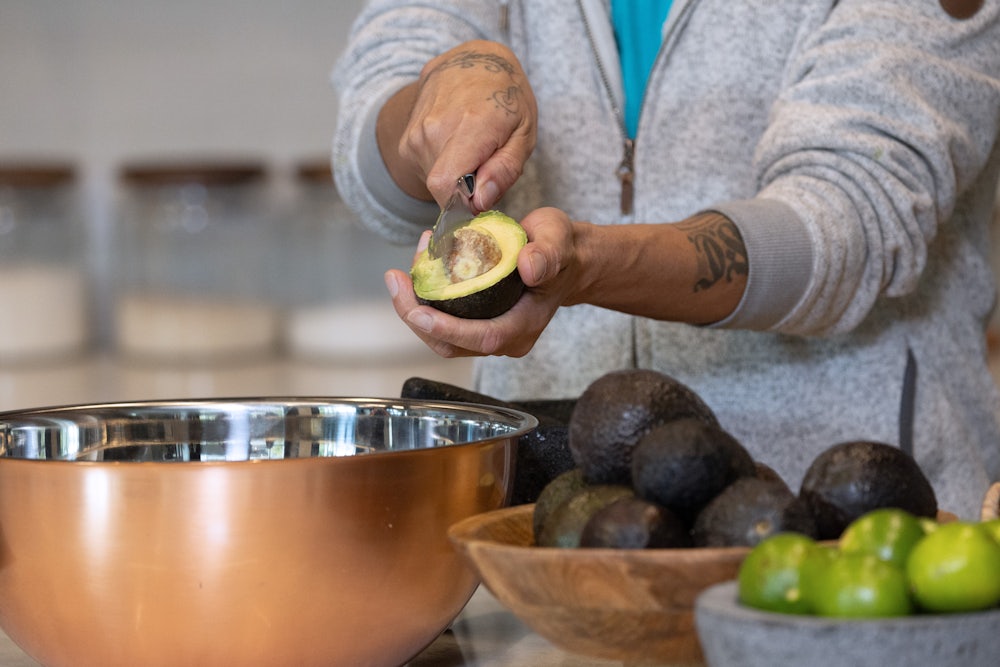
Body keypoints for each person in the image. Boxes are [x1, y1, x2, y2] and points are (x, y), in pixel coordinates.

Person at [332, 0, 1000, 519]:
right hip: (552, 520)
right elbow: (378, 136)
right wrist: (436, 96)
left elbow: (849, 217)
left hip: (846, 522)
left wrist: (589, 263)